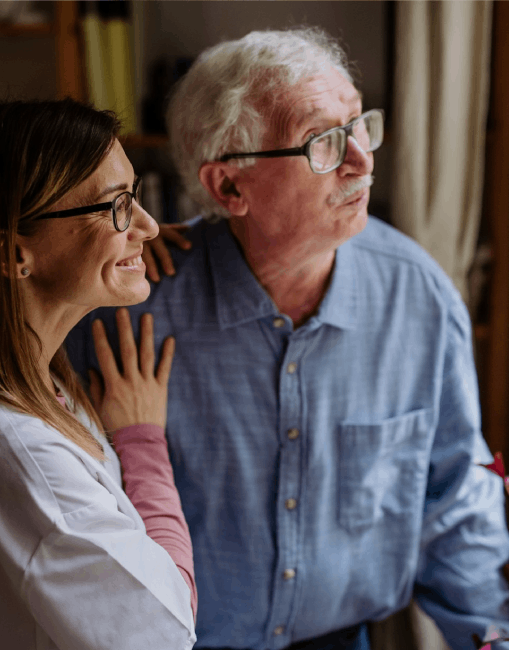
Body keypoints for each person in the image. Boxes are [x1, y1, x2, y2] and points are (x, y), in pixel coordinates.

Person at [68, 28, 509, 650]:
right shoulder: (130, 315)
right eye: (323, 142)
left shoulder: (419, 298)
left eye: (360, 124)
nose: (362, 159)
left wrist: (489, 639)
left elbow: (455, 499)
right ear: (227, 187)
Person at [0, 99, 197, 649]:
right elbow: (167, 629)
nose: (147, 225)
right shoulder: (22, 464)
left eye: (135, 195)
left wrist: (114, 239)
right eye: (116, 205)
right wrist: (143, 441)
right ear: (13, 253)